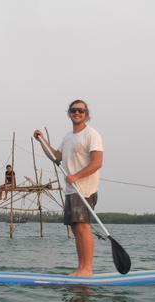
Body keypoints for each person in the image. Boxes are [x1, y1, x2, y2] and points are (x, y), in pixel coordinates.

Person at [34, 99, 103, 277]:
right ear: (69, 113)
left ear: (86, 114)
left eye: (81, 110)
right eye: (73, 110)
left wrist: (76, 176)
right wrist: (42, 140)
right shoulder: (68, 137)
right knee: (75, 228)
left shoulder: (91, 134)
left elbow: (97, 163)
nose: (77, 113)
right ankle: (81, 267)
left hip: (85, 188)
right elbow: (56, 156)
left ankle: (87, 269)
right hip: (72, 190)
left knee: (82, 226)